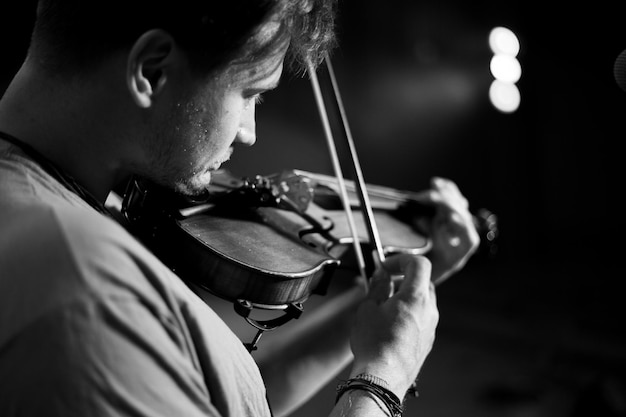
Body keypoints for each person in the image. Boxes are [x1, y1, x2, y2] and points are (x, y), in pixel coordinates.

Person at [0, 1, 480, 416]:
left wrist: (381, 319)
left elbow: (218, 396)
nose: (248, 131)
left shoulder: (68, 211)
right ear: (151, 70)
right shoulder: (86, 292)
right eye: (249, 93)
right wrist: (382, 381)